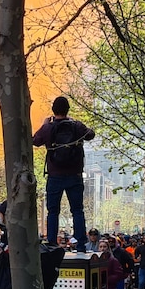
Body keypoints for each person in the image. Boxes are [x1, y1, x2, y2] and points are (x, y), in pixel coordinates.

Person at [32, 96, 95, 252]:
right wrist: (77, 124)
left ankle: (52, 242)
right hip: (75, 176)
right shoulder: (76, 126)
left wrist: (45, 125)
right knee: (77, 211)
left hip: (55, 176)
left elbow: (34, 141)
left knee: (53, 211)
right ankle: (81, 244)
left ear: (53, 110)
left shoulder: (48, 128)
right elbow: (91, 135)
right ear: (68, 110)